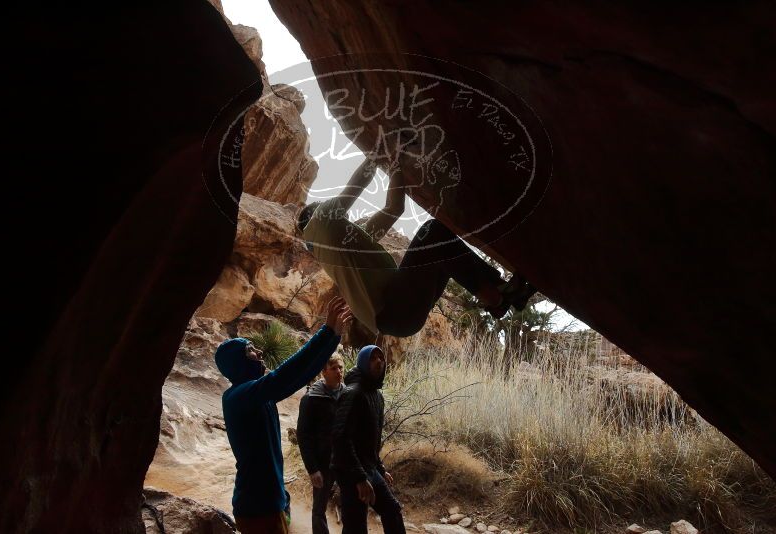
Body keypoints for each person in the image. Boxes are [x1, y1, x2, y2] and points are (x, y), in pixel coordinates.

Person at [297, 156, 537, 338]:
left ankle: (499, 295)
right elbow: (357, 185)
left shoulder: (346, 243)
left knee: (440, 247)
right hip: (394, 310)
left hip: (402, 318)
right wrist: (379, 152)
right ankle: (495, 294)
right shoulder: (318, 222)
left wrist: (396, 168)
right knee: (431, 232)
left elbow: (394, 209)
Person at [215, 297, 353, 534]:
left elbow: (300, 376)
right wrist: (326, 331)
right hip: (257, 508)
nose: (258, 351)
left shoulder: (256, 395)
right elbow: (285, 375)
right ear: (236, 362)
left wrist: (334, 337)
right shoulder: (238, 397)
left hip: (271, 501)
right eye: (249, 350)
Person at [331, 345, 404, 534]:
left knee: (392, 511)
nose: (379, 361)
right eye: (373, 358)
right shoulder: (352, 393)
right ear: (363, 362)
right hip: (350, 472)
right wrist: (359, 478)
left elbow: (369, 440)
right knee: (356, 526)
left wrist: (379, 467)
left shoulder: (377, 396)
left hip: (369, 468)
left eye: (381, 357)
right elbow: (341, 439)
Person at [297, 354, 346, 534]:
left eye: (340, 367)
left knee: (350, 504)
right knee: (319, 508)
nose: (339, 372)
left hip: (345, 460)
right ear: (324, 372)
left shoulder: (348, 395)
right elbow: (304, 435)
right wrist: (312, 469)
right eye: (334, 368)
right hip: (323, 462)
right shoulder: (311, 399)